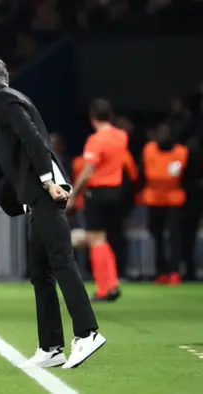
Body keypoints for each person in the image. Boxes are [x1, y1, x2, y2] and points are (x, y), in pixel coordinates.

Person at [0, 55, 104, 369]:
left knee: (62, 261)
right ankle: (51, 347)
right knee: (41, 273)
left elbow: (34, 140)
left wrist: (48, 182)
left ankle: (87, 333)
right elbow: (12, 141)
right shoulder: (2, 102)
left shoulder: (5, 101)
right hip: (35, 194)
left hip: (44, 191)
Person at [67, 99, 126, 300]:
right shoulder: (122, 136)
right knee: (103, 238)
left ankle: (103, 288)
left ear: (92, 118)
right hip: (117, 192)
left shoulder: (95, 140)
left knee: (96, 239)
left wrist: (74, 195)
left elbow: (87, 171)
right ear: (111, 116)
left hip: (98, 192)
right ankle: (112, 284)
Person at [139, 123, 188, 284]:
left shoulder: (181, 151)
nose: (163, 137)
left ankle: (174, 271)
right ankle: (161, 271)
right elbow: (149, 174)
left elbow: (179, 176)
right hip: (153, 198)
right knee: (156, 236)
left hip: (173, 200)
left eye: (166, 134)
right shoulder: (149, 149)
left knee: (174, 237)